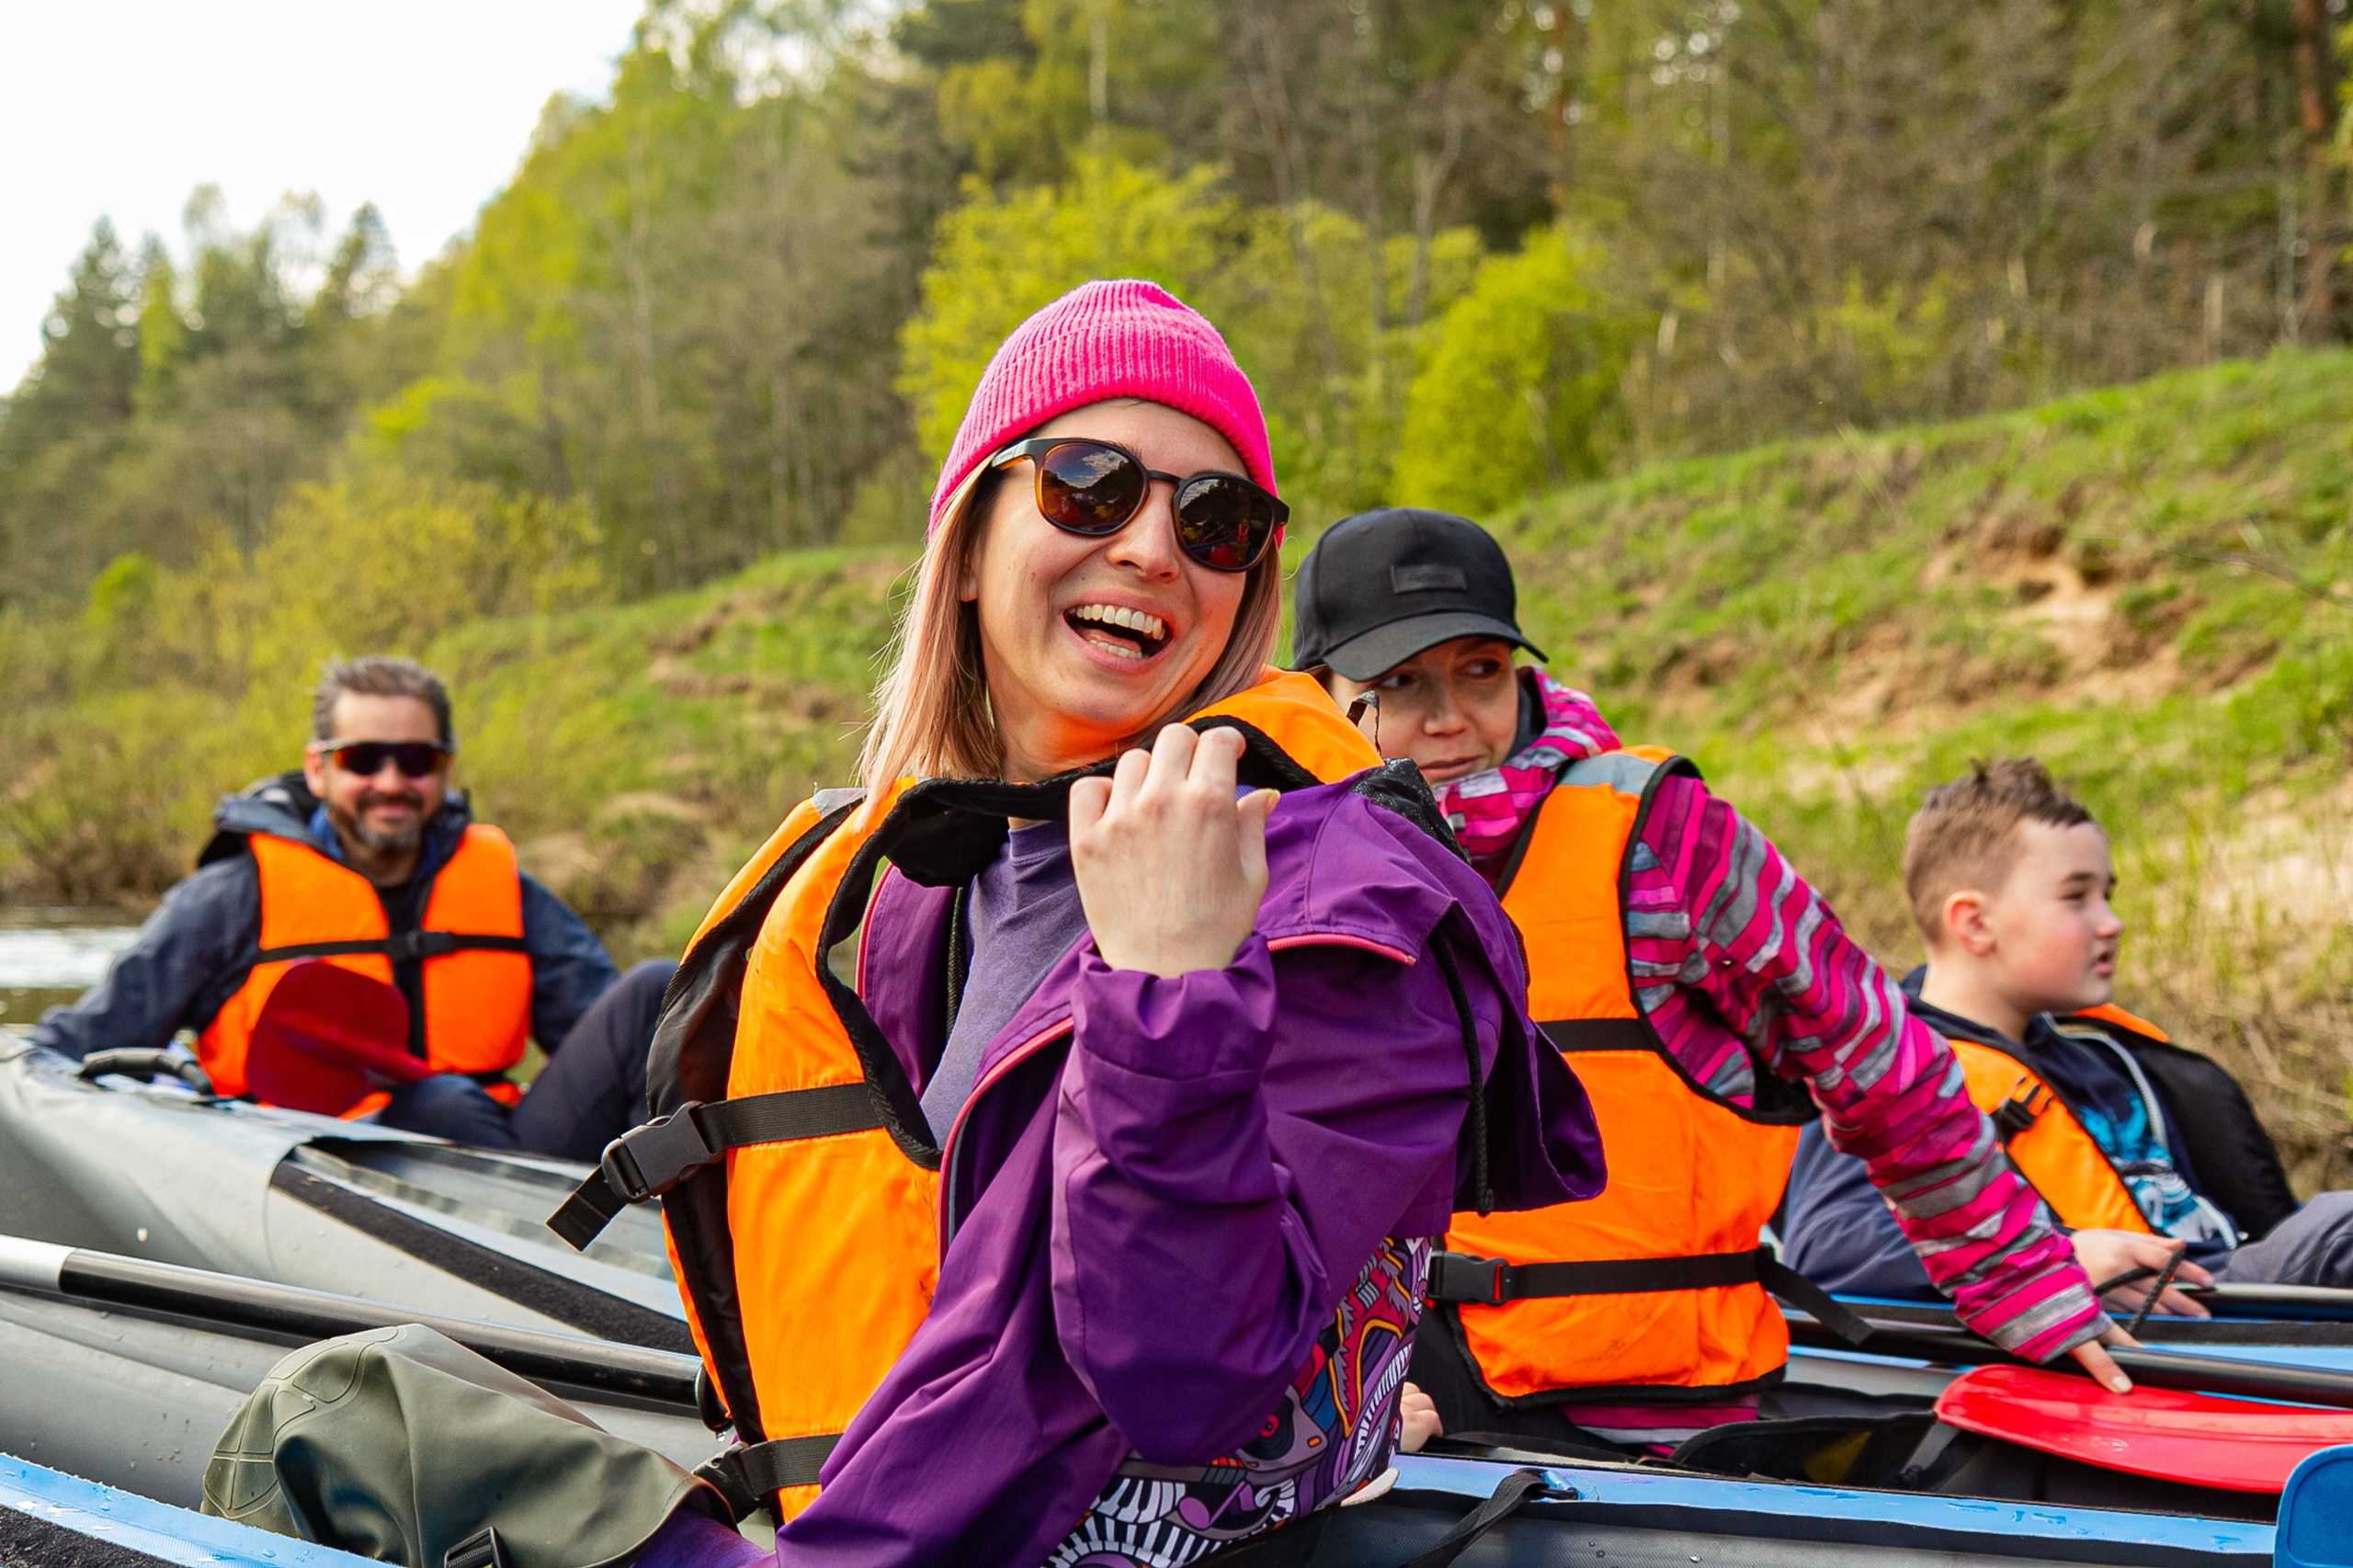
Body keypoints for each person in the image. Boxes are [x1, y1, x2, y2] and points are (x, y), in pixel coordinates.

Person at [552, 280, 1604, 1568]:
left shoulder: (1352, 902)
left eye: (1217, 519)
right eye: (1089, 485)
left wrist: (1173, 982)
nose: (1157, 547)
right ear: (970, 534)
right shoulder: (923, 882)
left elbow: (1183, 1377)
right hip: (852, 1537)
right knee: (381, 1414)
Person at [1290, 507, 2124, 1453]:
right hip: (1408, 1394)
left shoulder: (1664, 839)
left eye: (1478, 668)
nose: (1448, 717)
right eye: (1398, 681)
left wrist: (2022, 1285)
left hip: (1653, 1412)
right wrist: (1322, 1383)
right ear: (1321, 697)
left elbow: (1873, 1053)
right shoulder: (1279, 856)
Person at [32, 654, 665, 1159]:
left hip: (503, 1167)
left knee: (655, 994)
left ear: (443, 772)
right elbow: (82, 1044)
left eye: (416, 760)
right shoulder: (230, 897)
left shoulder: (504, 889)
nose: (391, 782)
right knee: (436, 1102)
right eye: (363, 759)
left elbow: (613, 1049)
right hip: (300, 1170)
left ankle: (667, 1231)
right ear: (317, 770)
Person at [1780, 758, 2347, 1308]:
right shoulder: (1892, 1073)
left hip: (2241, 1301)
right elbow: (1830, 1245)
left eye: (2108, 894)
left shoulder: (2103, 1056)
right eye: (2076, 897)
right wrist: (2055, 1258)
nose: (2111, 922)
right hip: (2162, 1329)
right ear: (1975, 923)